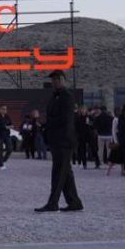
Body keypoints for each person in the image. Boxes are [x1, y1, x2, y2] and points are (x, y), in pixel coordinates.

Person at [35, 70, 84, 212]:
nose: (55, 81)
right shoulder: (55, 97)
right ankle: (74, 202)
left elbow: (66, 119)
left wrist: (47, 121)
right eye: (53, 79)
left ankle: (53, 203)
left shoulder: (67, 97)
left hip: (64, 140)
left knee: (58, 172)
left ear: (64, 80)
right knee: (65, 172)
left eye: (58, 79)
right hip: (57, 139)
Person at [0, 105, 13, 169]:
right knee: (0, 150)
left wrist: (10, 126)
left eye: (6, 109)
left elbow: (11, 124)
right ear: (0, 110)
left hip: (7, 135)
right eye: (3, 109)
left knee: (10, 149)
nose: (5, 110)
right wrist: (5, 127)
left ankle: (4, 160)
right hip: (0, 135)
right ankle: (1, 164)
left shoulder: (7, 117)